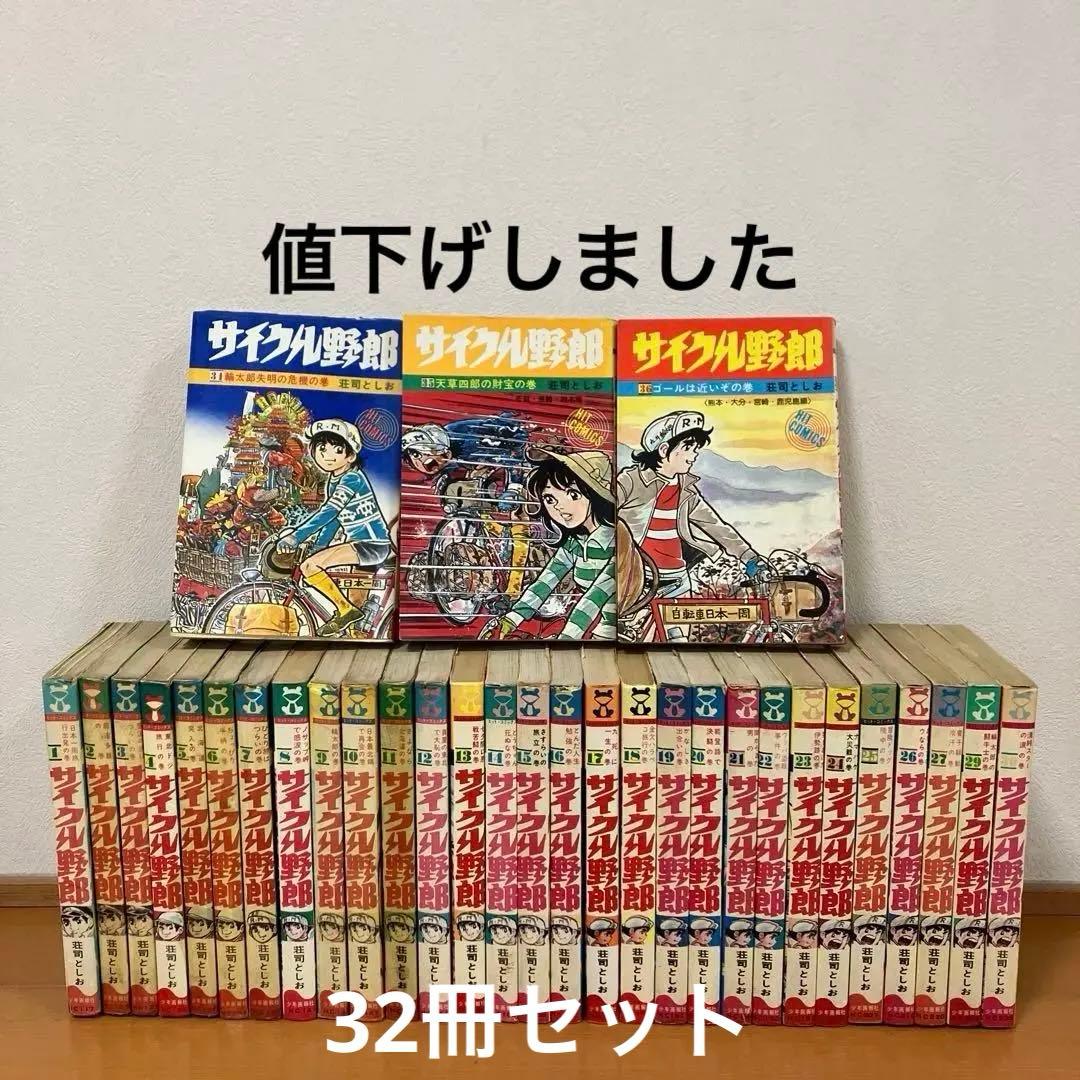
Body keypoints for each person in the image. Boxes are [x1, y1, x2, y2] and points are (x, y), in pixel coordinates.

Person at [617, 410, 761, 637]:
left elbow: (715, 526)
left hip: (678, 580)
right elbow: (602, 510)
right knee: (633, 639)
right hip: (638, 580)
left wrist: (749, 557)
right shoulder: (631, 481)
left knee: (679, 641)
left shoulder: (686, 491)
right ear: (664, 450)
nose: (693, 455)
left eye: (696, 449)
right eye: (687, 447)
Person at [275, 419, 391, 637]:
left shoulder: (352, 478)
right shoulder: (334, 480)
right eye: (321, 449)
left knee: (309, 567)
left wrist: (296, 537)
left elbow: (329, 511)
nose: (327, 456)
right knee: (358, 610)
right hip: (365, 546)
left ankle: (344, 610)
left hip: (370, 545)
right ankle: (354, 624)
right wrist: (319, 546)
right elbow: (335, 520)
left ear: (350, 456)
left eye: (337, 450)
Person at [486, 448, 616, 641]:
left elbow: (595, 597)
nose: (559, 507)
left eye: (573, 494)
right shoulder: (576, 542)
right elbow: (545, 581)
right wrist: (511, 619)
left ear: (595, 494)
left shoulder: (616, 544)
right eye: (549, 499)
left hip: (619, 627)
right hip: (596, 626)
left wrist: (565, 640)